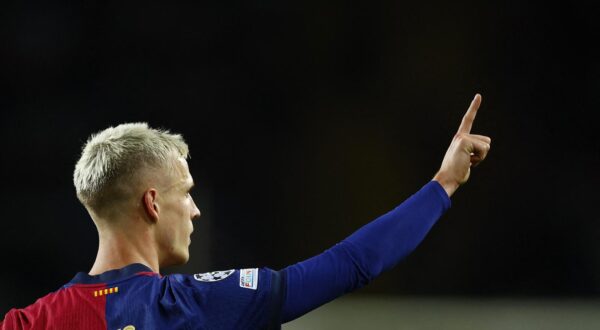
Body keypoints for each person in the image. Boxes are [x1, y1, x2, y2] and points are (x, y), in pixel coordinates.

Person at [0, 94, 491, 329]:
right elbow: (351, 265)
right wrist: (443, 184)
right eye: (185, 193)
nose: (194, 211)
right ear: (152, 203)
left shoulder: (30, 322)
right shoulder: (194, 307)